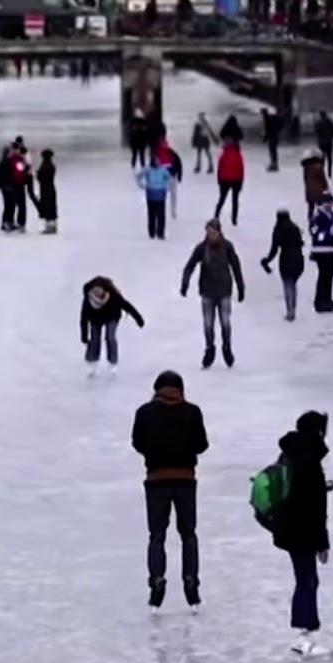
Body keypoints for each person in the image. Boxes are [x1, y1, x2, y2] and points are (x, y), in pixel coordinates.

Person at [131, 370, 209, 613]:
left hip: (156, 479)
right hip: (185, 479)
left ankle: (157, 580)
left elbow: (137, 442)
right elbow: (202, 445)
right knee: (188, 534)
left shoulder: (144, 412)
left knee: (157, 535)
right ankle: (191, 581)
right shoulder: (192, 411)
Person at [271, 411, 333, 658]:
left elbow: (297, 490)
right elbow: (315, 508)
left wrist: (322, 486)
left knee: (307, 579)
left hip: (288, 526)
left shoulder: (291, 452)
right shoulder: (310, 459)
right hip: (302, 529)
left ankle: (306, 632)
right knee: (307, 580)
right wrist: (323, 543)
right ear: (318, 432)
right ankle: (303, 636)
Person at [180, 219, 245, 368]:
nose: (211, 235)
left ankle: (227, 348)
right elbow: (190, 265)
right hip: (207, 291)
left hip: (224, 290)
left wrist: (241, 287)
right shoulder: (202, 248)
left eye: (213, 232)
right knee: (208, 324)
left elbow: (236, 266)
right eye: (208, 232)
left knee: (225, 322)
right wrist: (185, 283)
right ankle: (210, 349)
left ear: (219, 232)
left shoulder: (227, 247)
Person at [80, 276, 146, 377]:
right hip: (96, 318)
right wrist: (84, 336)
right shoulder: (88, 300)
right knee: (94, 338)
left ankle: (112, 362)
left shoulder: (113, 294)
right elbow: (84, 318)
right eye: (96, 295)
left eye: (100, 294)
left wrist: (139, 319)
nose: (99, 297)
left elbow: (126, 305)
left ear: (104, 291)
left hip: (112, 316)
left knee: (110, 337)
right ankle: (92, 361)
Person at [261, 209, 306, 321]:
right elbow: (301, 243)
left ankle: (289, 311)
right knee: (294, 284)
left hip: (286, 258)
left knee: (287, 284)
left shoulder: (278, 229)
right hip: (298, 258)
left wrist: (267, 260)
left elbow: (274, 249)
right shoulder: (295, 228)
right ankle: (293, 309)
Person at [309, 191, 333, 313]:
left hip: (330, 249)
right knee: (323, 275)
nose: (332, 205)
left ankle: (327, 299)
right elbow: (314, 232)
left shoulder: (331, 214)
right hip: (321, 250)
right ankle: (320, 301)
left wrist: (332, 236)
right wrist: (328, 236)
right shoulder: (318, 215)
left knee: (330, 275)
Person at [0, 143, 31, 232]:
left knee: (18, 205)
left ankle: (17, 223)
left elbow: (22, 171)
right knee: (10, 205)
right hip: (12, 185)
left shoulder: (18, 160)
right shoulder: (8, 161)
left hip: (18, 185)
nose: (15, 151)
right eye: (13, 150)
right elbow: (1, 173)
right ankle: (9, 222)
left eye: (16, 150)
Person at [136, 155, 172, 240]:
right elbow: (138, 177)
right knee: (151, 214)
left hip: (161, 194)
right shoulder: (147, 169)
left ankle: (160, 233)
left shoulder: (163, 170)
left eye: (158, 161)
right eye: (156, 161)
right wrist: (142, 186)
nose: (157, 163)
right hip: (151, 194)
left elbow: (170, 178)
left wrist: (166, 186)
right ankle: (152, 232)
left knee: (161, 215)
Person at [214, 139, 245, 226]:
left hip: (224, 180)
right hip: (236, 180)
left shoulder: (224, 154)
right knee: (235, 200)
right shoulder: (238, 154)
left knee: (222, 198)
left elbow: (220, 168)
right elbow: (241, 168)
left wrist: (219, 179)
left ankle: (216, 215)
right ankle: (234, 218)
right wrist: (241, 181)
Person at [152, 132, 183, 219]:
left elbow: (178, 163)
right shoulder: (161, 153)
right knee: (169, 194)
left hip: (169, 175)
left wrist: (179, 174)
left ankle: (171, 211)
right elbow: (178, 163)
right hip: (165, 176)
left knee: (169, 194)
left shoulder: (167, 152)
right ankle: (167, 211)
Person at [34, 148, 58, 234]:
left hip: (45, 188)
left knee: (47, 207)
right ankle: (53, 226)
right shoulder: (51, 165)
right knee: (52, 206)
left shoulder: (44, 165)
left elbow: (41, 177)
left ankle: (50, 227)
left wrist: (36, 174)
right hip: (51, 187)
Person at [314, 111, 333, 178]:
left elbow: (317, 131)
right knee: (329, 158)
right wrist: (330, 135)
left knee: (321, 158)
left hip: (321, 143)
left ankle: (322, 173)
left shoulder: (319, 123)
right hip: (329, 142)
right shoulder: (330, 122)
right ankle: (330, 173)